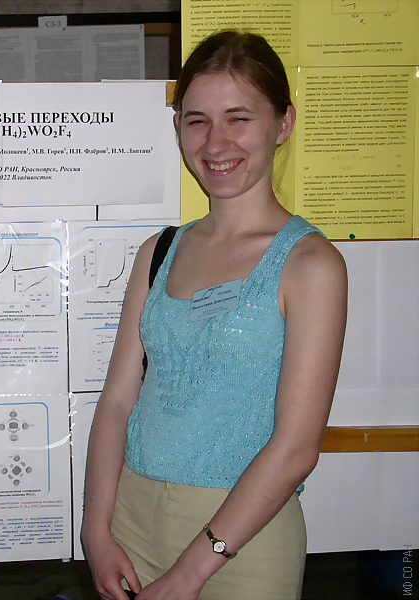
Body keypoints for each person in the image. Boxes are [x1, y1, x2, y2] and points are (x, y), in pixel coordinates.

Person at [82, 30, 347, 600]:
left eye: (239, 118)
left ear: (283, 123)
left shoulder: (310, 264)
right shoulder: (159, 252)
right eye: (197, 120)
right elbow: (118, 402)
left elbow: (296, 447)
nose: (216, 142)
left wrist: (189, 573)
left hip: (243, 541)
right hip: (130, 521)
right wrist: (96, 532)